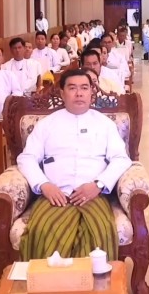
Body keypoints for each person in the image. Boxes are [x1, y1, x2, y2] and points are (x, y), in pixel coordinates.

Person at [16, 69, 132, 261]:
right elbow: (26, 158)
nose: (79, 93)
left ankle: (93, 280)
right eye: (72, 88)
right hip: (55, 195)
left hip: (93, 195)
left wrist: (98, 185)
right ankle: (51, 279)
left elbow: (121, 158)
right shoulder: (46, 124)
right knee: (44, 231)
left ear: (91, 92)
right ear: (62, 93)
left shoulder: (105, 124)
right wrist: (44, 185)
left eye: (84, 88)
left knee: (100, 232)